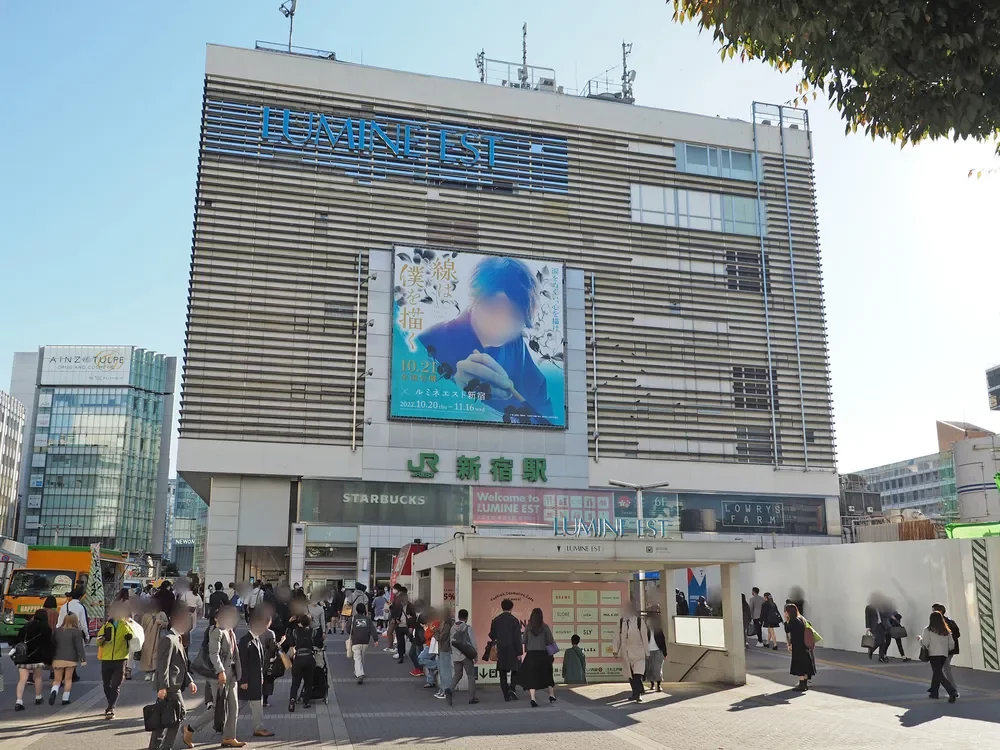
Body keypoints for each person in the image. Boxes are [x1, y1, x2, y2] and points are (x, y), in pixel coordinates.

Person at [417, 255, 556, 423]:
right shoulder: (430, 341)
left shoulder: (516, 344)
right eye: (493, 308)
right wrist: (456, 390)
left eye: (515, 315)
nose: (503, 324)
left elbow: (541, 406)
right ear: (473, 298)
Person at [183, 605, 245, 748]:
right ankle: (190, 728)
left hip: (232, 675)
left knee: (234, 707)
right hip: (220, 676)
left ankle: (229, 737)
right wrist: (220, 671)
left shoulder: (230, 631)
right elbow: (213, 654)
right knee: (218, 708)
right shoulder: (217, 632)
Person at [148, 604, 198, 750]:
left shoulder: (178, 638)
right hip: (170, 686)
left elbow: (181, 664)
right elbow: (163, 664)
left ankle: (157, 746)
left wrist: (189, 681)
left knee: (165, 717)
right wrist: (162, 686)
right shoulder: (169, 639)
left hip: (174, 685)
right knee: (178, 714)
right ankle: (165, 746)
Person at [238, 611, 275, 738]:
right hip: (248, 680)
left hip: (256, 678)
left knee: (255, 703)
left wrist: (261, 676)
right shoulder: (245, 641)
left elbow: (260, 661)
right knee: (240, 704)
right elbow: (242, 662)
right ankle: (226, 723)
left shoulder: (256, 639)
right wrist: (243, 680)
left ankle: (259, 727)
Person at [97, 601, 136, 719]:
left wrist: (125, 624)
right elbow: (98, 641)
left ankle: (111, 708)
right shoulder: (107, 625)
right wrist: (102, 639)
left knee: (116, 685)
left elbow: (131, 636)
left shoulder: (126, 625)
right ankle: (110, 704)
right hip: (106, 658)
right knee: (106, 685)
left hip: (120, 659)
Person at [11, 608, 54, 711]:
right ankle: (38, 697)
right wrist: (49, 658)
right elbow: (48, 644)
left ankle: (19, 701)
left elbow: (17, 640)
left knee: (22, 679)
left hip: (23, 657)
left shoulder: (26, 626)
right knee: (37, 677)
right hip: (37, 658)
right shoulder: (46, 628)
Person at [518, 607, 555, 707]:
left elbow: (523, 640)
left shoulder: (528, 627)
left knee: (532, 677)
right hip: (543, 654)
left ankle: (533, 699)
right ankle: (551, 695)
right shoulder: (545, 627)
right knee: (548, 675)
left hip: (531, 656)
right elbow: (550, 641)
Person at [613, 602, 650, 703]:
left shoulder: (639, 621)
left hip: (638, 653)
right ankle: (635, 693)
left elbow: (645, 638)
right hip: (626, 653)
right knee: (631, 676)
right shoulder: (621, 622)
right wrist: (615, 650)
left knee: (638, 674)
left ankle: (638, 694)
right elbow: (617, 637)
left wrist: (647, 653)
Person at [919, 611, 958, 702]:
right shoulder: (946, 630)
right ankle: (934, 692)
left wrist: (920, 640)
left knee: (938, 673)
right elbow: (952, 644)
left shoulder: (928, 629)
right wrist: (946, 649)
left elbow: (925, 643)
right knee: (937, 672)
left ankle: (952, 691)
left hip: (933, 654)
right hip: (943, 655)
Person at [488, 598, 523, 702]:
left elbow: (492, 634)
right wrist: (519, 652)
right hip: (512, 650)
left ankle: (506, 695)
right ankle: (512, 688)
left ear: (502, 607)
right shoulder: (514, 620)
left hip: (501, 650)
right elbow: (517, 638)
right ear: (511, 608)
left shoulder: (496, 620)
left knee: (502, 673)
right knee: (515, 669)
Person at [50, 612, 86, 705]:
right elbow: (79, 647)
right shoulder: (77, 632)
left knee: (57, 680)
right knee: (68, 679)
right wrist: (83, 659)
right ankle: (65, 698)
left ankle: (54, 690)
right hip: (71, 658)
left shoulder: (57, 630)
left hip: (57, 657)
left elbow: (52, 643)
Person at [287, 613, 318, 711]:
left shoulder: (295, 632)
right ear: (309, 622)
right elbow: (319, 643)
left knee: (295, 682)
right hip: (309, 658)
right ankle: (306, 702)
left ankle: (292, 699)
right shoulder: (313, 632)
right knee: (308, 682)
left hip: (298, 659)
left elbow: (290, 639)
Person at [783, 603, 815, 691]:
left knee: (799, 664)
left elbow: (787, 630)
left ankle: (801, 685)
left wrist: (786, 621)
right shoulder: (801, 619)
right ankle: (804, 684)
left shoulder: (793, 621)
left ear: (789, 612)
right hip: (804, 645)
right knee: (805, 664)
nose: (785, 613)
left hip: (798, 646)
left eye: (786, 612)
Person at [450, 608, 479, 705]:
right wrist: (475, 655)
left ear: (458, 617)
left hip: (456, 656)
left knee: (457, 675)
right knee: (471, 676)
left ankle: (449, 689)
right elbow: (473, 643)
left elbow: (451, 642)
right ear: (466, 618)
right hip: (466, 656)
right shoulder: (467, 628)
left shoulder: (453, 628)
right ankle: (472, 698)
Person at [932, 603, 961, 695]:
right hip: (952, 648)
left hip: (943, 650)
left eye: (934, 611)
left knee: (945, 669)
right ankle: (934, 690)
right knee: (940, 669)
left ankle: (954, 691)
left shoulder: (939, 623)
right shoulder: (951, 621)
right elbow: (958, 634)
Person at [349, 603, 378, 684]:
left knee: (357, 658)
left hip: (355, 640)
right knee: (361, 657)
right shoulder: (367, 619)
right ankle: (358, 671)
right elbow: (373, 629)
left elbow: (348, 629)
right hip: (365, 641)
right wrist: (375, 639)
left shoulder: (353, 619)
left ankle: (360, 674)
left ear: (356, 610)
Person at [141, 605, 169, 680]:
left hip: (158, 637)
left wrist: (160, 622)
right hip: (147, 638)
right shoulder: (146, 615)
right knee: (147, 655)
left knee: (156, 654)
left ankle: (154, 672)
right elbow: (142, 626)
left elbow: (166, 623)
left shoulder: (162, 614)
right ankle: (147, 672)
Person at [432, 606, 453, 699]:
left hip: (445, 649)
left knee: (445, 671)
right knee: (441, 670)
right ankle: (442, 689)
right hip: (441, 649)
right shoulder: (443, 622)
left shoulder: (447, 624)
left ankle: (445, 690)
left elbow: (441, 637)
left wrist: (435, 631)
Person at [645, 604, 667, 692]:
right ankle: (652, 684)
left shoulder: (658, 625)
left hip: (658, 650)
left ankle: (658, 685)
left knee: (658, 669)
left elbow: (662, 639)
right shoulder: (644, 624)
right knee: (650, 669)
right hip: (648, 650)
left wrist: (665, 652)